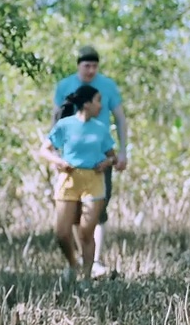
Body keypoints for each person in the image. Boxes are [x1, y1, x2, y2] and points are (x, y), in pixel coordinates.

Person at [52, 45, 129, 276]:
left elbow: (121, 118)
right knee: (72, 215)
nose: (91, 70)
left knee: (96, 210)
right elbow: (55, 118)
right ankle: (75, 263)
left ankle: (94, 261)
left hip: (99, 157)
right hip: (71, 162)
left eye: (95, 66)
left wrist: (123, 151)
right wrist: (55, 156)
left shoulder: (107, 86)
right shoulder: (65, 86)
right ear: (78, 65)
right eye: (87, 66)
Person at [38, 84, 117, 283]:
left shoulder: (100, 129)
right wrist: (59, 161)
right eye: (98, 101)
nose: (101, 105)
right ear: (87, 103)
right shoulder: (65, 125)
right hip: (69, 179)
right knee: (62, 232)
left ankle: (87, 277)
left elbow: (113, 157)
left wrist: (106, 163)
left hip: (94, 181)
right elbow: (44, 150)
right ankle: (73, 265)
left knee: (85, 231)